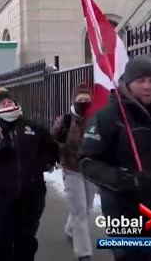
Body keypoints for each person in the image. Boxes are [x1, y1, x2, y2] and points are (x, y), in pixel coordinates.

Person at [79, 55, 151, 261]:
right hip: (125, 214)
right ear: (128, 83)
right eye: (141, 81)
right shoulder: (108, 117)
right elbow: (87, 163)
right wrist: (125, 178)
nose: (148, 86)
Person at [0, 88, 59, 261]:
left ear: (16, 103)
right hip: (1, 195)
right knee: (0, 239)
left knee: (26, 239)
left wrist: (42, 163)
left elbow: (51, 149)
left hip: (31, 195)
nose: (7, 104)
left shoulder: (32, 126)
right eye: (3, 103)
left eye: (10, 101)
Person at [51, 84, 97, 261]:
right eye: (80, 99)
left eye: (87, 99)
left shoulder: (96, 118)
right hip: (71, 170)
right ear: (73, 100)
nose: (84, 102)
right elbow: (53, 141)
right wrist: (68, 151)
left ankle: (71, 229)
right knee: (79, 211)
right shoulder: (66, 120)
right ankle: (83, 253)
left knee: (87, 208)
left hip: (91, 170)